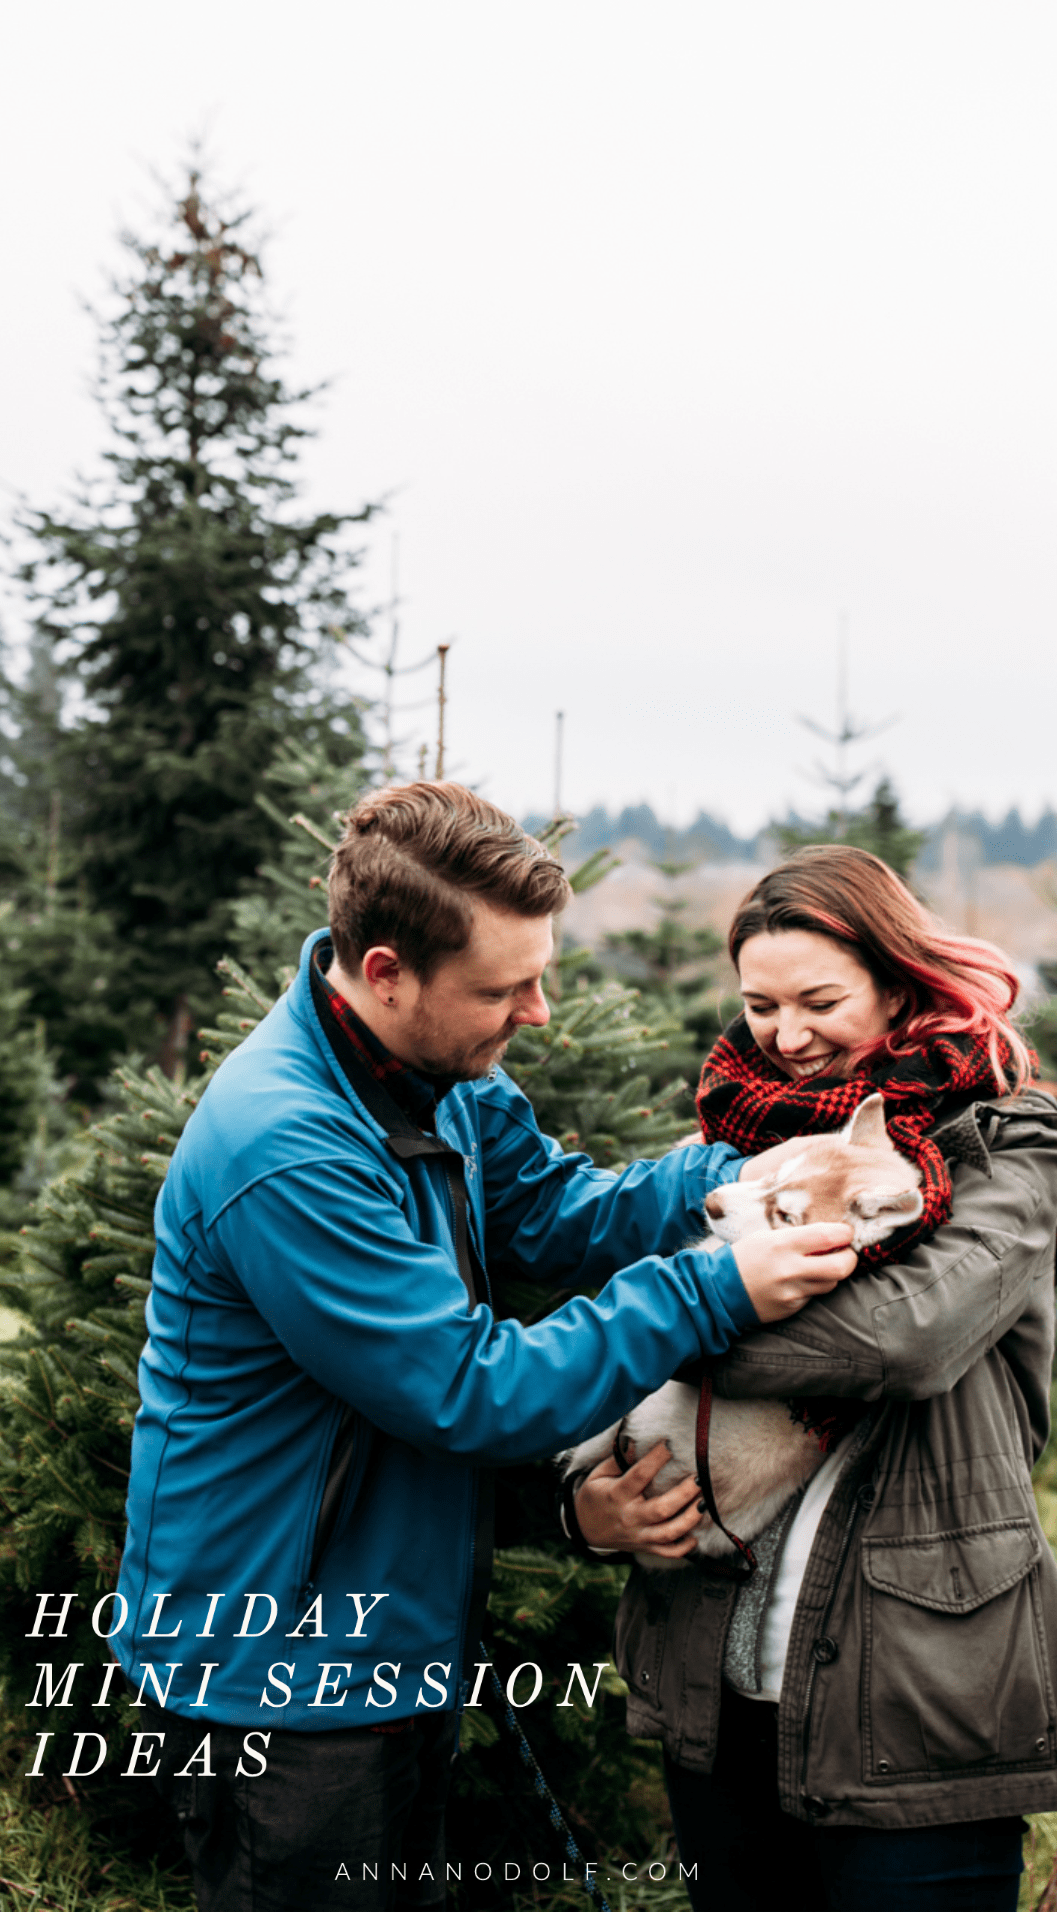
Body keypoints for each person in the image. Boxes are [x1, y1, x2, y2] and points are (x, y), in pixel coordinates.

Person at [113, 784, 857, 1912]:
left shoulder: (432, 1072)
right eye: (505, 989)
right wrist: (718, 1287)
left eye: (541, 974)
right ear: (383, 973)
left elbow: (559, 1210)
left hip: (384, 1639)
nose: (540, 1011)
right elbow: (470, 1390)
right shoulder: (289, 1148)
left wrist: (733, 1177)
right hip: (281, 1670)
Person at [572, 843, 1057, 1912]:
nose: (786, 1038)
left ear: (896, 980)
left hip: (917, 1705)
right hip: (719, 1693)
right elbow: (635, 1406)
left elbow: (906, 1340)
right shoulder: (739, 1148)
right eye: (759, 1005)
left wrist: (656, 1322)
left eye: (820, 1000)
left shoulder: (1011, 1145)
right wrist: (589, 1510)